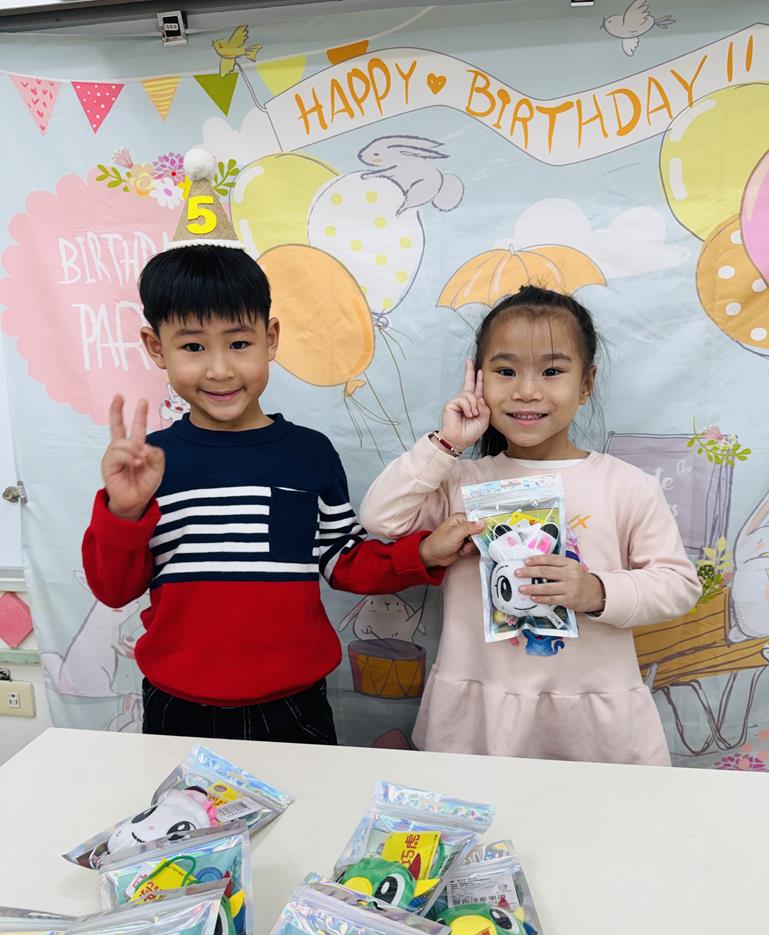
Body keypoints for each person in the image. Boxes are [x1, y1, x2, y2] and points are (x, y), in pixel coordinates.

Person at [82, 149, 480, 743]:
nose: (220, 368)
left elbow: (342, 561)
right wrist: (123, 511)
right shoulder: (148, 466)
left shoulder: (308, 454)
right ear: (156, 348)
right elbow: (114, 590)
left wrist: (423, 552)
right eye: (192, 347)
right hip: (177, 707)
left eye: (238, 343)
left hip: (294, 707)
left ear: (270, 339)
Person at [360, 285, 701, 765]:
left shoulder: (627, 485)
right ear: (479, 381)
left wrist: (597, 591)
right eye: (506, 371)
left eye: (552, 371)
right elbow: (381, 517)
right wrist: (447, 444)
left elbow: (678, 585)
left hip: (592, 713)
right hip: (483, 708)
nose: (526, 390)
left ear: (586, 384)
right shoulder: (460, 479)